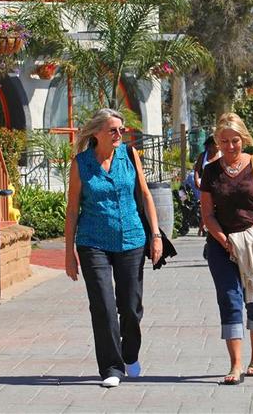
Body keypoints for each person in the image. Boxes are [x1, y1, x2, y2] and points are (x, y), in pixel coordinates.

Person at [64, 108, 162, 388]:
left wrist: (155, 235)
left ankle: (129, 354)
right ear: (97, 133)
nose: (119, 134)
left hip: (131, 239)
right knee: (104, 307)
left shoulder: (130, 156)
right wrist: (68, 252)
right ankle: (111, 367)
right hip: (92, 241)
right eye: (113, 130)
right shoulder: (81, 163)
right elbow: (72, 210)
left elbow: (145, 195)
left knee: (130, 307)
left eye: (121, 130)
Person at [200, 112, 253, 385]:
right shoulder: (210, 170)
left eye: (235, 140)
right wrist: (226, 241)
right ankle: (235, 364)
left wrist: (250, 235)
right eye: (224, 141)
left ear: (243, 139)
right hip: (221, 246)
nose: (230, 146)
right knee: (230, 299)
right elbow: (207, 214)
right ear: (217, 142)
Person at [192, 136, 221, 200]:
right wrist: (196, 180)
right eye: (217, 144)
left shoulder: (222, 155)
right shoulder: (203, 155)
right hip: (205, 186)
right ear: (211, 145)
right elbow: (197, 169)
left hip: (219, 185)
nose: (219, 146)